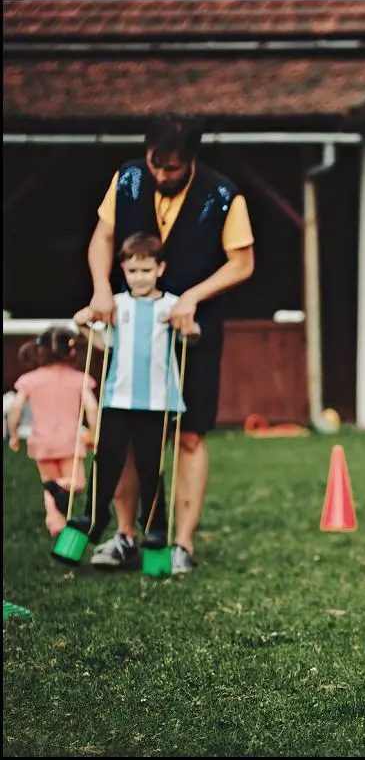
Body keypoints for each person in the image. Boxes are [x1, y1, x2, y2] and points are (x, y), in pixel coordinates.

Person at [84, 115, 255, 573]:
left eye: (172, 167)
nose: (161, 173)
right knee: (124, 429)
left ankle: (181, 543)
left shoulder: (224, 195)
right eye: (155, 163)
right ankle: (125, 535)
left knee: (190, 435)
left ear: (191, 160)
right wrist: (101, 289)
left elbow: (242, 263)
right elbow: (102, 238)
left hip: (194, 330)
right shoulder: (128, 178)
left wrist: (192, 298)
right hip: (132, 325)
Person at [66, 232, 200, 555]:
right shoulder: (116, 304)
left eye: (146, 270)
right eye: (133, 271)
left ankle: (154, 528)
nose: (139, 277)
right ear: (123, 270)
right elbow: (104, 345)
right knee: (106, 461)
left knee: (150, 467)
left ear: (160, 269)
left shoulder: (171, 306)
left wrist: (191, 329)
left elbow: (191, 338)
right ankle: (93, 518)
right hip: (118, 399)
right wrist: (82, 325)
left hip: (155, 403)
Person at [7, 327, 98, 537]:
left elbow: (16, 407)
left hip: (41, 442)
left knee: (49, 486)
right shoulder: (78, 379)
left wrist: (13, 434)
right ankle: (59, 490)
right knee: (76, 484)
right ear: (71, 351)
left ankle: (56, 524)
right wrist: (94, 433)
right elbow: (91, 407)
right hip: (69, 441)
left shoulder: (30, 380)